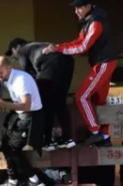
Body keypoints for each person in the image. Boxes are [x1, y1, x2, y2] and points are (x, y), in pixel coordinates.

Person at [43, 0, 117, 146]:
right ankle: (104, 136)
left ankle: (95, 132)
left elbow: (82, 47)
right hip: (103, 63)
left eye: (79, 7)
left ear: (88, 6)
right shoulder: (90, 21)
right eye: (75, 8)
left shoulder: (95, 22)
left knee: (81, 97)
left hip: (103, 63)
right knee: (99, 101)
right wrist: (60, 47)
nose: (76, 11)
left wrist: (57, 49)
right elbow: (79, 42)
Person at [6, 38, 76, 151]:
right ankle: (68, 139)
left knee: (44, 104)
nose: (14, 57)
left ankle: (48, 141)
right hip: (68, 61)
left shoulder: (22, 51)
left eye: (12, 53)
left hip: (51, 63)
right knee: (60, 101)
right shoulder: (37, 46)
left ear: (16, 47)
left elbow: (26, 75)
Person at [0, 56, 46, 186]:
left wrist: (3, 104)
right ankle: (13, 180)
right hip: (20, 115)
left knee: (13, 149)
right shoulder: (8, 79)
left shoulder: (21, 79)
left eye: (0, 72)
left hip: (31, 116)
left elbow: (26, 105)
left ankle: (33, 179)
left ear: (8, 68)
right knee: (5, 145)